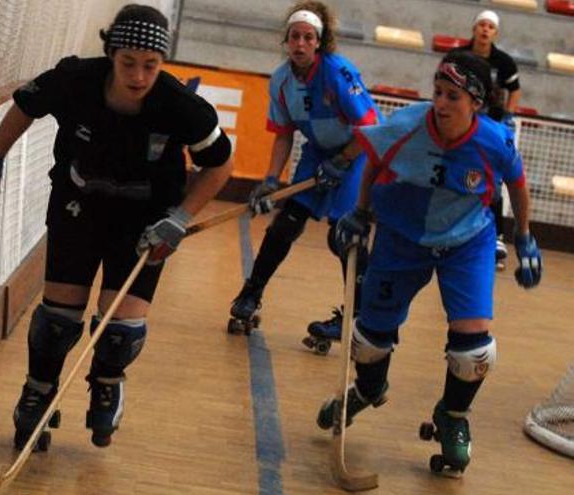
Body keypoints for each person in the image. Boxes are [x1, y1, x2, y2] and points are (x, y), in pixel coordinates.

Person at [0, 4, 233, 450]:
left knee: (118, 333)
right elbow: (25, 105)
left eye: (151, 66)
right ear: (111, 54)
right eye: (128, 62)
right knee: (57, 320)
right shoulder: (76, 79)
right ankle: (37, 392)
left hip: (148, 221)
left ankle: (108, 381)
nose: (139, 76)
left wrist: (180, 218)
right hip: (79, 204)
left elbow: (220, 166)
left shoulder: (181, 106)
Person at [318, 51, 542, 477]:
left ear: (475, 102)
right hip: (402, 237)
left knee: (474, 348)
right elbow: (375, 162)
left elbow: (517, 181)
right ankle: (367, 390)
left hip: (466, 241)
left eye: (453, 97)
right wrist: (361, 213)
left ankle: (452, 416)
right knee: (369, 341)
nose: (440, 103)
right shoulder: (406, 125)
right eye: (438, 92)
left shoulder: (494, 140)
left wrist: (525, 236)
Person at [228, 0, 380, 353]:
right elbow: (283, 133)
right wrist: (270, 179)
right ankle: (251, 294)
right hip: (317, 152)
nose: (299, 44)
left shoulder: (338, 72)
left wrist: (342, 161)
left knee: (346, 235)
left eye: (307, 37)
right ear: (286, 40)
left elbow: (368, 127)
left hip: (357, 152)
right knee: (285, 225)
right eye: (294, 36)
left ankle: (358, 317)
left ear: (319, 42)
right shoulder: (281, 81)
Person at [452, 9, 522, 269]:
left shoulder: (503, 62)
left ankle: (496, 239)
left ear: (495, 32)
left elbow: (514, 90)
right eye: (481, 25)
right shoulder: (459, 56)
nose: (485, 30)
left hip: (489, 126)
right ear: (474, 28)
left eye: (490, 27)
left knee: (493, 179)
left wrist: (508, 116)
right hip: (460, 125)